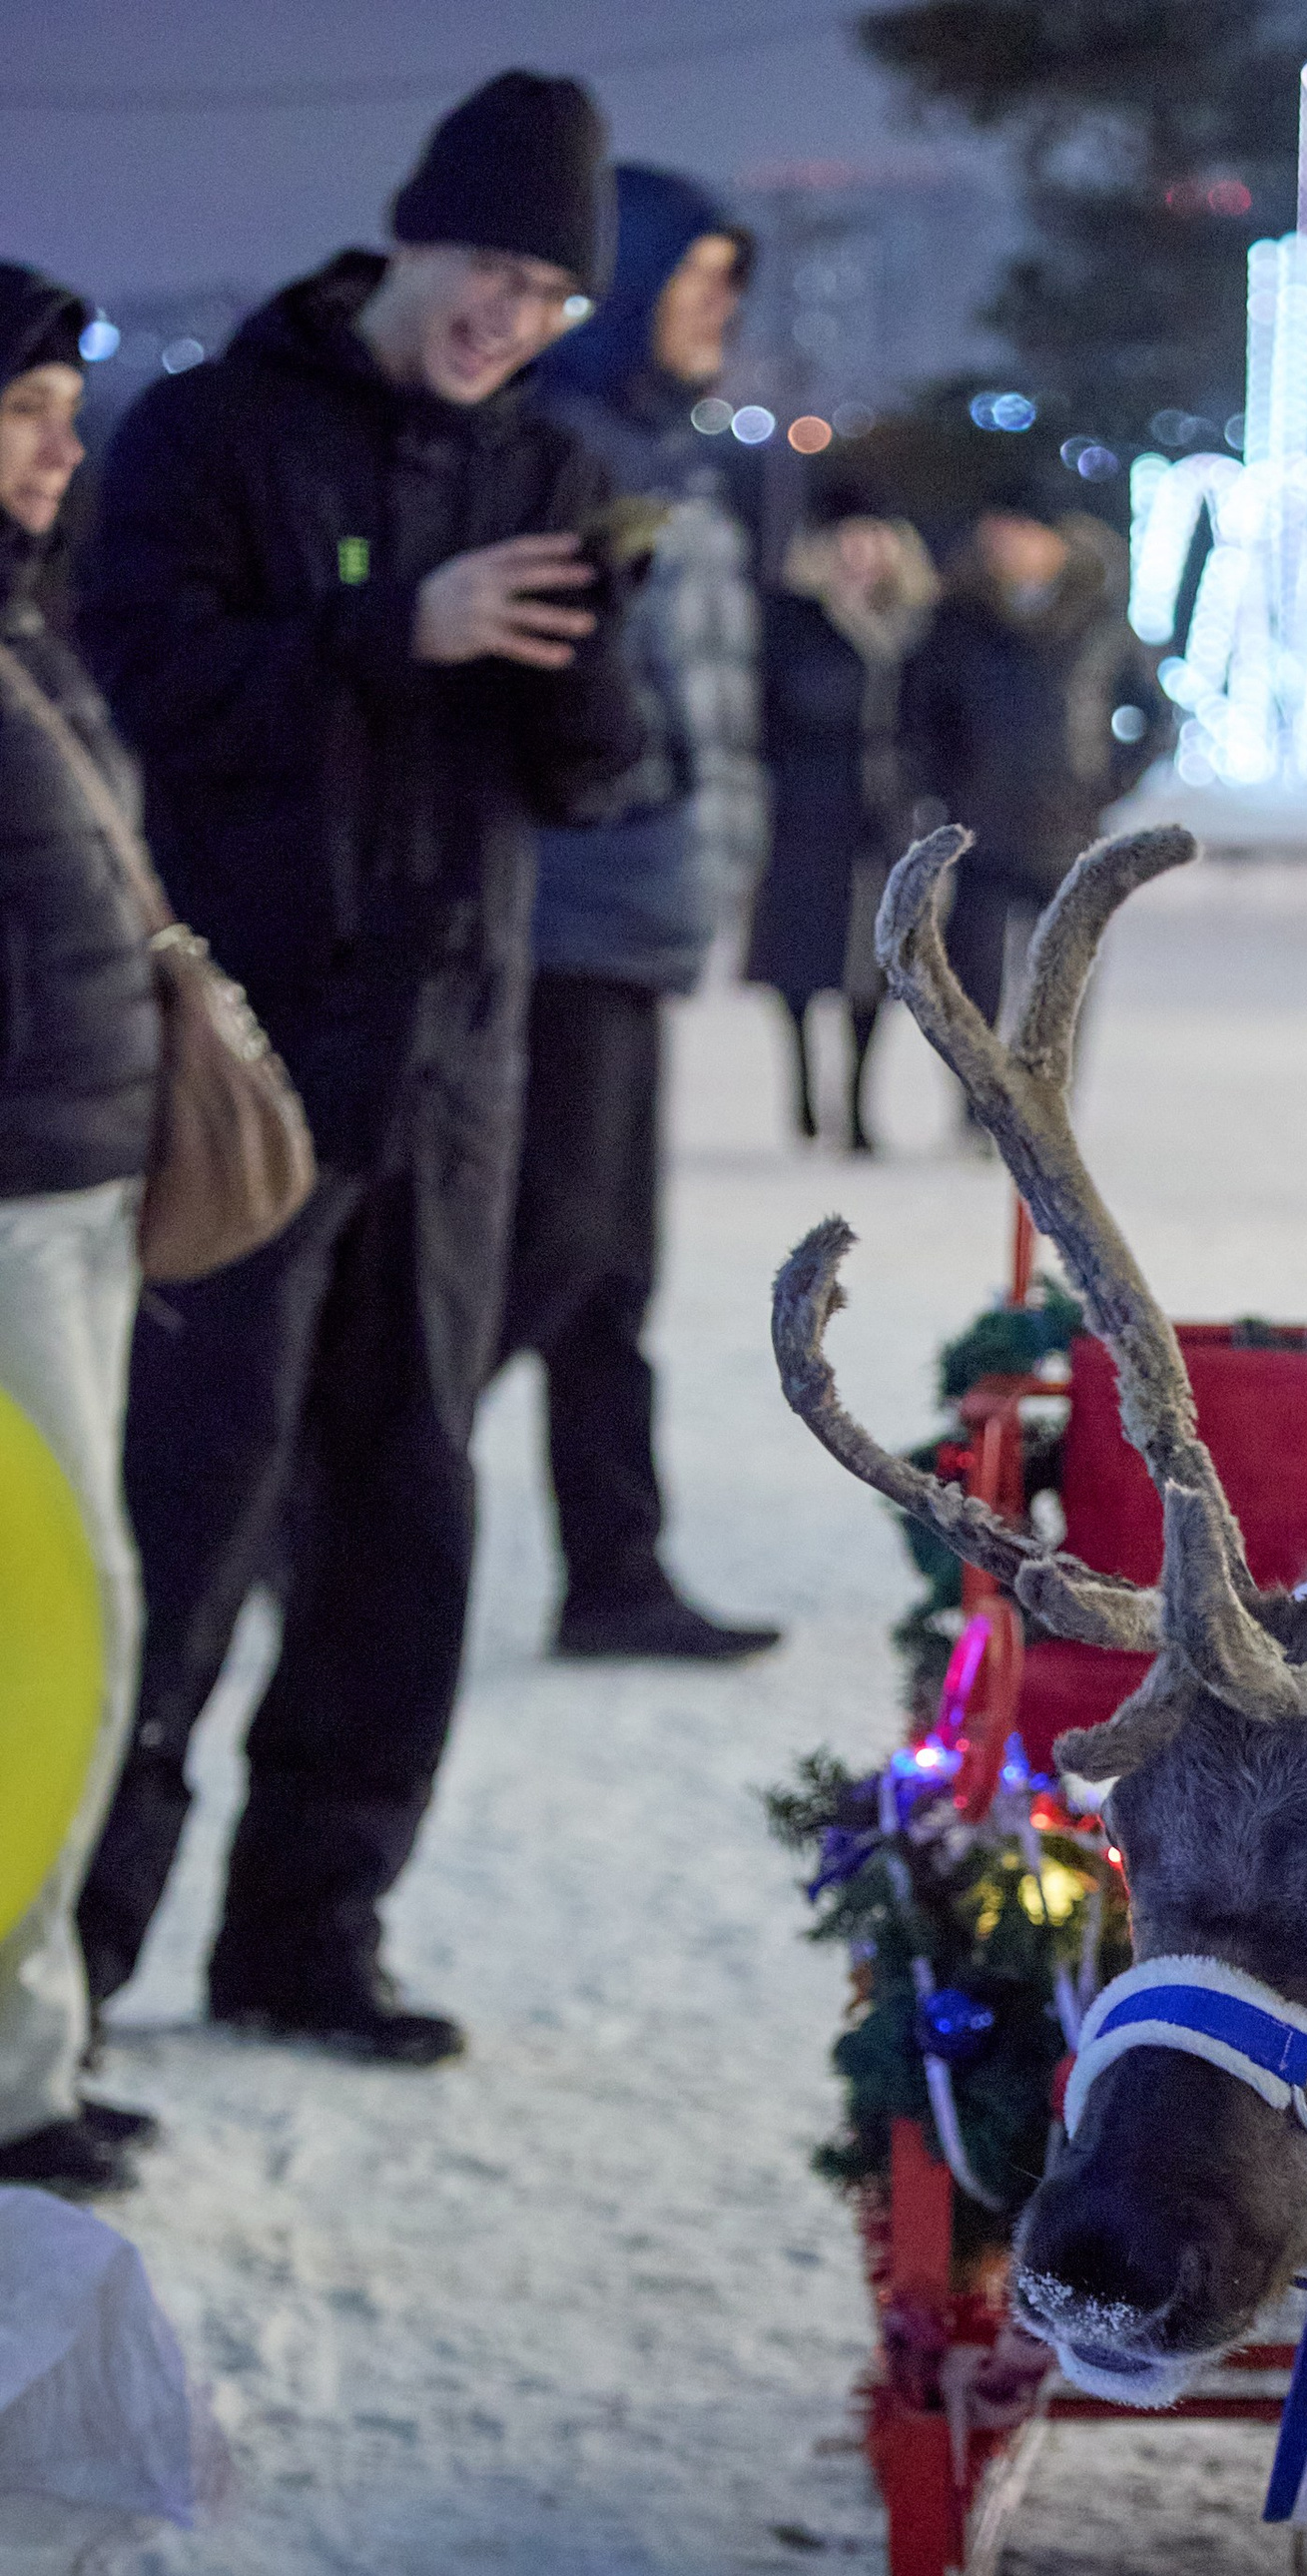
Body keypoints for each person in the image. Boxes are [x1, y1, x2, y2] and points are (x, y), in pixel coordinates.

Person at [74, 74, 646, 2066]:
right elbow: (147, 674)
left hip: (459, 1060)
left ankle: (313, 1932)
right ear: (412, 237)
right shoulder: (216, 434)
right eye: (497, 270)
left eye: (553, 295)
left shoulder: (556, 472)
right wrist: (390, 629)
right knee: (186, 1512)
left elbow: (588, 779)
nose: (515, 316)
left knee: (407, 1510)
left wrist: (584, 679)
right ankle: (73, 1960)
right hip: (249, 1060)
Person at [495, 164, 779, 1665]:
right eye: (696, 279)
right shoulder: (568, 455)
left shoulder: (674, 459)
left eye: (734, 283)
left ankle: (618, 1569)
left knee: (608, 1275)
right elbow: (567, 691)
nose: (719, 310)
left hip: (637, 920)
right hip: (562, 919)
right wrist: (641, 798)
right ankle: (318, 1504)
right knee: (549, 1256)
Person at [0, 269, 161, 2196]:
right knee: (60, 1641)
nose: (63, 449)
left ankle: (32, 2045)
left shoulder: (26, 627)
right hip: (14, 1209)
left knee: (69, 1636)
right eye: (29, 409)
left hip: (74, 1198)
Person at [899, 475, 1172, 1050]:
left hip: (1068, 828)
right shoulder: (959, 623)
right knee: (972, 977)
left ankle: (1048, 1101)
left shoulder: (1099, 622)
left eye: (1018, 534)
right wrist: (947, 789)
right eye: (995, 536)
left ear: (1056, 541)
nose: (1005, 548)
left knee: (1061, 980)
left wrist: (1105, 786)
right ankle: (981, 1103)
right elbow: (920, 717)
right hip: (981, 829)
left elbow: (1156, 718)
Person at [746, 465, 937, 1152]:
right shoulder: (791, 623)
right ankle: (802, 1085)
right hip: (805, 805)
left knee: (877, 961)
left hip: (887, 814)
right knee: (798, 955)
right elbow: (763, 713)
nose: (860, 552)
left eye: (874, 538)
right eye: (846, 539)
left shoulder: (915, 625)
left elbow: (935, 716)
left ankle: (855, 1102)